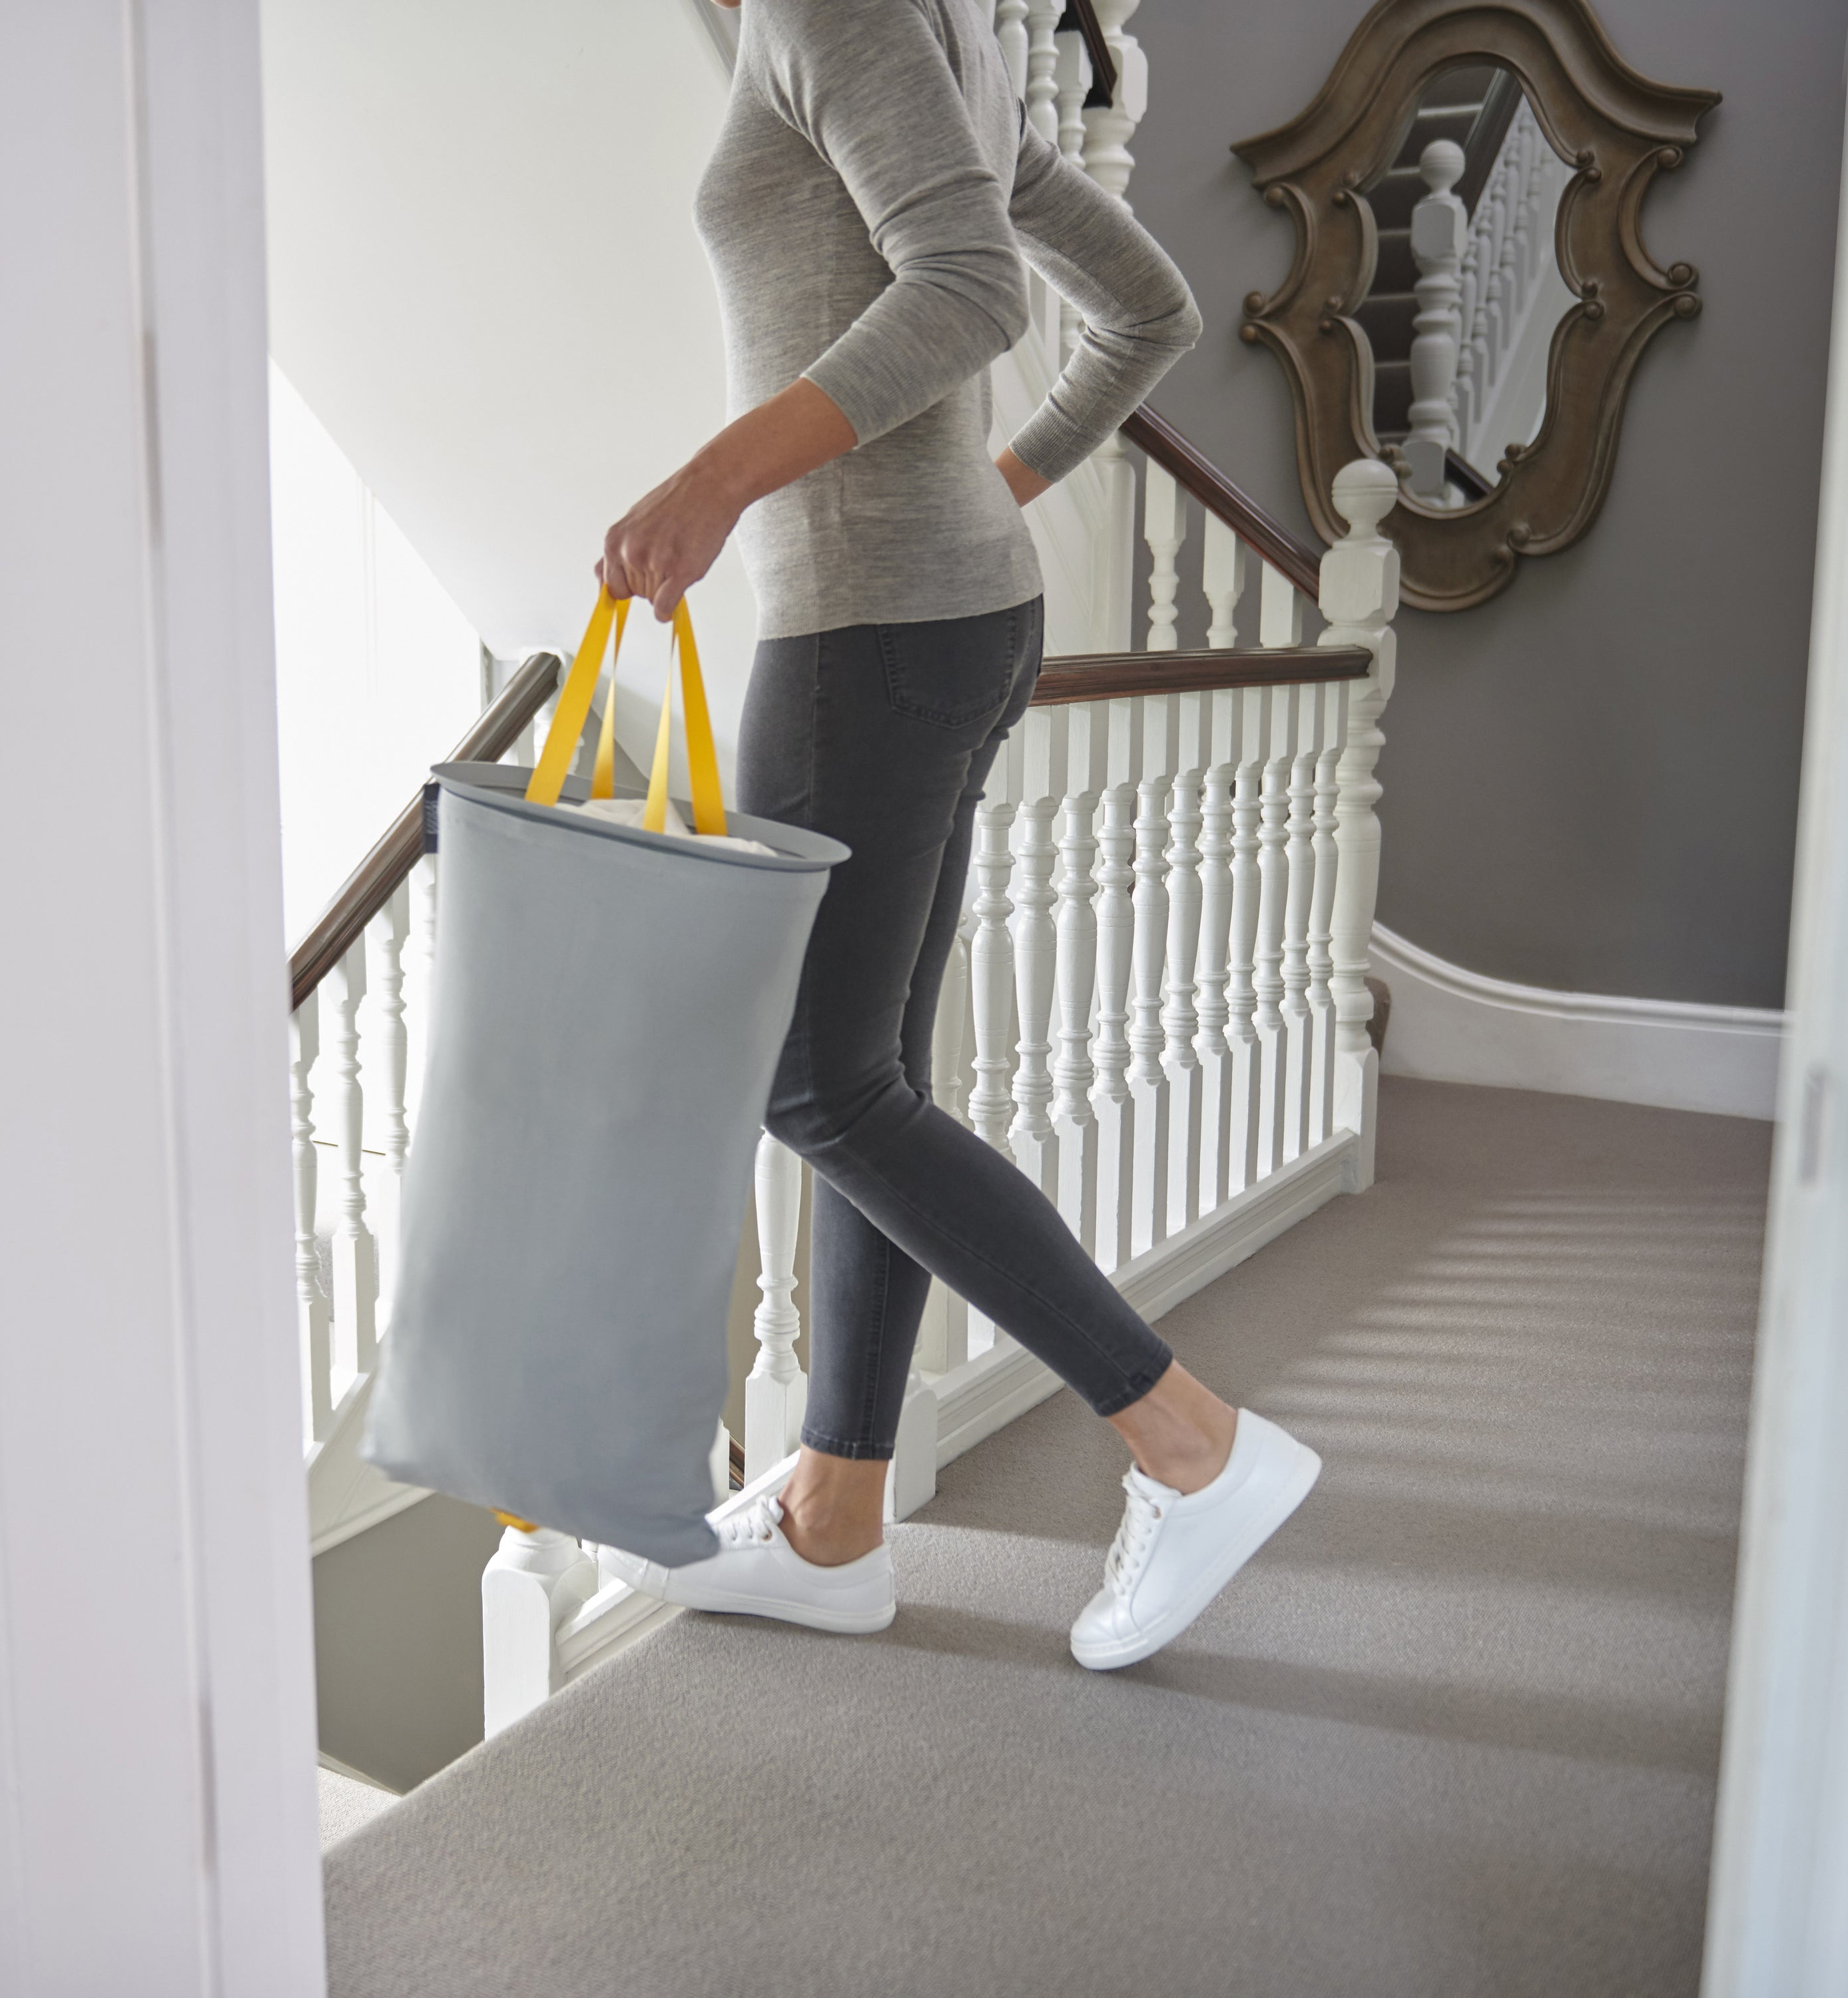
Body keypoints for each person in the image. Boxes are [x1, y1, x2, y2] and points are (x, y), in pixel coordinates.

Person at [593, 0, 1319, 1672]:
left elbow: (975, 290)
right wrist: (1000, 482)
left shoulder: (839, 10)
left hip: (866, 630)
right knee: (865, 1079)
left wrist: (714, 481)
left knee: (809, 1082)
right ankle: (835, 1523)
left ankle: (1189, 1442)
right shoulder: (954, 36)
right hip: (955, 615)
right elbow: (1145, 310)